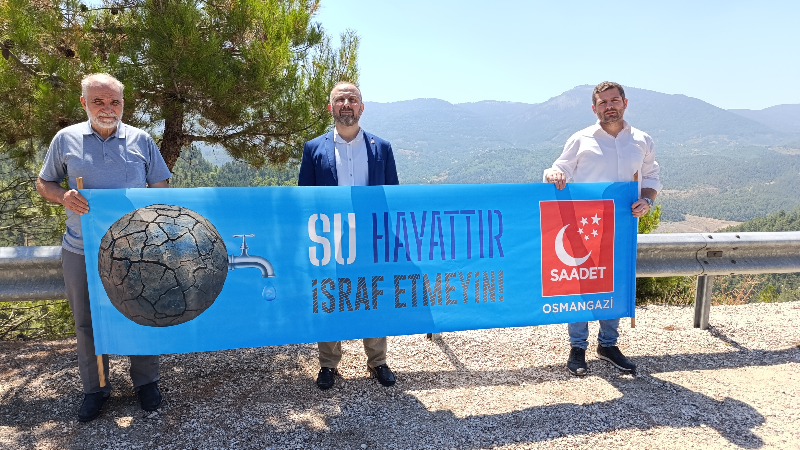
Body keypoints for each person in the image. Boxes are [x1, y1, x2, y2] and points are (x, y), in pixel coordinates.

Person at [36, 73, 172, 421]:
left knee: (143, 313)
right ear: (84, 103)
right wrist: (62, 196)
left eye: (115, 101)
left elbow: (161, 187)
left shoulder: (141, 140)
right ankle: (95, 389)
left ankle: (146, 383)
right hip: (81, 248)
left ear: (123, 104)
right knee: (87, 322)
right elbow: (44, 182)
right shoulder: (65, 139)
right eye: (99, 101)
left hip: (135, 250)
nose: (107, 108)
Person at [543, 81, 662, 377]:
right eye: (603, 102)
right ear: (594, 107)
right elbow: (559, 169)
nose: (609, 106)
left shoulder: (642, 140)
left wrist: (647, 200)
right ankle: (577, 347)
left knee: (615, 282)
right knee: (583, 283)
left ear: (625, 102)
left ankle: (608, 345)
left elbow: (651, 176)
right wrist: (554, 173)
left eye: (614, 100)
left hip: (622, 225)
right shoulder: (580, 139)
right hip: (585, 225)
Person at [298, 81, 399, 390]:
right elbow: (305, 197)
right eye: (340, 99)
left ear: (361, 107)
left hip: (369, 237)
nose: (346, 104)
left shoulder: (382, 148)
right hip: (330, 238)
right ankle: (328, 364)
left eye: (352, 99)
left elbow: (392, 195)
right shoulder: (313, 148)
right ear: (331, 108)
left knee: (373, 296)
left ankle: (378, 361)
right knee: (329, 297)